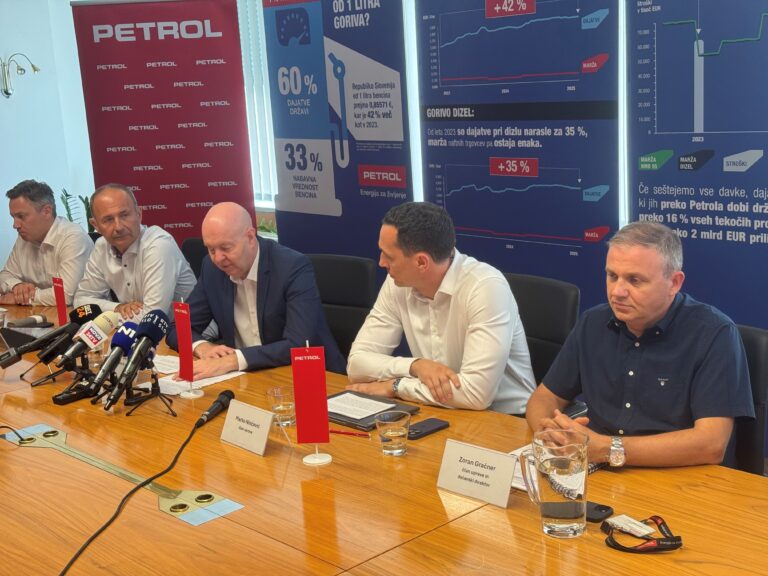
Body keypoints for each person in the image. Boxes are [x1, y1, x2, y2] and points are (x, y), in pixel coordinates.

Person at [525, 221, 755, 468]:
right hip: (596, 468)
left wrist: (606, 448)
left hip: (681, 476)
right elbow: (543, 398)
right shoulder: (593, 322)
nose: (617, 292)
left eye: (634, 280)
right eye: (612, 276)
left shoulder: (714, 334)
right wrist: (551, 433)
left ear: (674, 283)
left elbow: (710, 444)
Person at [346, 202, 536, 414]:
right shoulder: (396, 283)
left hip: (505, 419)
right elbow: (357, 364)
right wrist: (416, 366)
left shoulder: (485, 287)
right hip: (440, 410)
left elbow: (476, 395)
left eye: (389, 256)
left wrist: (396, 386)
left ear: (421, 262)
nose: (381, 262)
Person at [165, 202, 345, 380]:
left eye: (226, 248)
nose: (218, 258)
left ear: (250, 237)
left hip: (310, 377)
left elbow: (298, 345)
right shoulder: (212, 269)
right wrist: (202, 347)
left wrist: (233, 360)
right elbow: (177, 328)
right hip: (247, 378)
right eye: (211, 250)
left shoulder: (292, 267)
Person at [73, 183, 196, 319]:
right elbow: (81, 301)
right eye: (108, 220)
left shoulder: (159, 245)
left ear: (139, 214)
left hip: (187, 329)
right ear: (95, 225)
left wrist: (106, 318)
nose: (118, 227)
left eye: (124, 215)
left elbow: (152, 316)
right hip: (134, 327)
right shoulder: (101, 246)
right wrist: (117, 308)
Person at [0, 180, 92, 306]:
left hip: (82, 315)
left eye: (21, 216)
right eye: (13, 217)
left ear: (47, 211)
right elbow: (5, 274)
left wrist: (21, 298)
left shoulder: (73, 237)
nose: (15, 225)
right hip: (41, 313)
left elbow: (65, 296)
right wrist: (17, 286)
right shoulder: (24, 238)